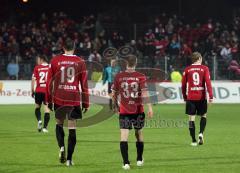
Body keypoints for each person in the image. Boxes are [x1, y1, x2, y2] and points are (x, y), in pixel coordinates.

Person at [46, 38, 89, 167]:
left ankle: (61, 147)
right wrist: (86, 103)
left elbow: (49, 83)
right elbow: (84, 84)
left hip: (59, 98)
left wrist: (49, 100)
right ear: (74, 47)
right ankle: (69, 159)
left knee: (59, 124)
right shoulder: (80, 62)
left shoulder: (55, 61)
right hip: (74, 99)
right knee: (72, 129)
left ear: (63, 47)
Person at [112, 55, 153, 170]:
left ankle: (126, 163)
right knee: (139, 134)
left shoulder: (119, 76)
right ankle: (139, 159)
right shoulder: (141, 76)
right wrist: (150, 107)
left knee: (123, 136)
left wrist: (115, 105)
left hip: (124, 111)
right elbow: (145, 94)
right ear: (136, 63)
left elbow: (114, 93)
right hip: (138, 110)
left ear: (126, 63)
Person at [181, 52, 213, 146]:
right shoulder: (205, 68)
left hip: (191, 97)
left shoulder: (187, 69)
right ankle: (201, 133)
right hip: (201, 97)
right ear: (199, 58)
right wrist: (211, 96)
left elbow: (183, 85)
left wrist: (184, 96)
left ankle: (194, 140)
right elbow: (208, 82)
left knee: (191, 119)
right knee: (203, 115)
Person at [31, 55, 51, 133]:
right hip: (47, 91)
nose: (37, 61)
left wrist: (32, 91)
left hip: (39, 90)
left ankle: (39, 120)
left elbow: (33, 80)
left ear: (42, 59)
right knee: (47, 110)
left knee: (37, 107)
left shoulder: (37, 67)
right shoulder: (50, 67)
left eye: (38, 59)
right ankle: (45, 128)